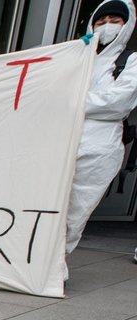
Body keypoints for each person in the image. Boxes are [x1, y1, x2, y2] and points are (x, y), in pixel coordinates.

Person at [66, 0, 137, 268]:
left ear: (126, 24)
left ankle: (56, 264)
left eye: (115, 20)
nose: (107, 26)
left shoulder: (130, 61)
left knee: (76, 211)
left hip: (100, 146)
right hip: (63, 140)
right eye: (102, 20)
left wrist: (73, 102)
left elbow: (118, 102)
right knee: (50, 205)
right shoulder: (78, 55)